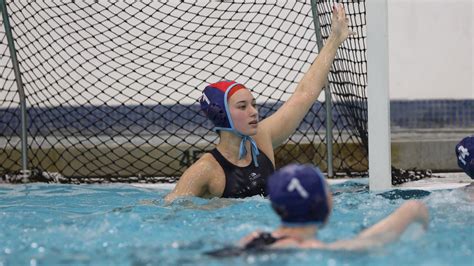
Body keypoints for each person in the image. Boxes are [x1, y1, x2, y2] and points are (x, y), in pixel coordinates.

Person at [165, 3, 353, 202]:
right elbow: (170, 211)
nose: (254, 112)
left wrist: (335, 39)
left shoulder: (262, 139)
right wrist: (214, 209)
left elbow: (303, 95)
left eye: (253, 104)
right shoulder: (206, 170)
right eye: (242, 106)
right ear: (221, 114)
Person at [205, 164, 429, 256]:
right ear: (322, 205)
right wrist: (410, 210)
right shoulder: (309, 249)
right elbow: (369, 243)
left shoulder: (254, 238)